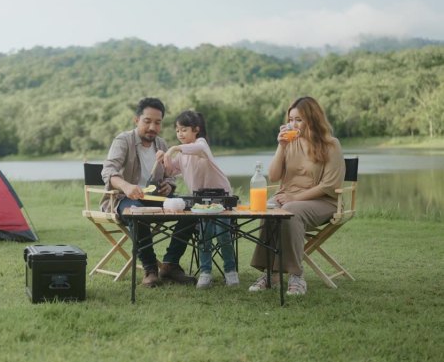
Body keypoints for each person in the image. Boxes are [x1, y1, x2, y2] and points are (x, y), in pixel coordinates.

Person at [248, 96, 345, 295]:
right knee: (270, 210)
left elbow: (330, 185)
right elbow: (274, 176)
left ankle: (296, 276)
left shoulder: (331, 145)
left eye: (298, 119)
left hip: (322, 201)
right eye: (290, 119)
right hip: (287, 198)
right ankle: (270, 274)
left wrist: (295, 199)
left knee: (289, 211)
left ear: (313, 119)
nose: (293, 124)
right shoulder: (289, 143)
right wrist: (280, 146)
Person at [101, 97, 196, 288]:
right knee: (138, 212)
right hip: (124, 199)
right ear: (136, 120)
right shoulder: (123, 140)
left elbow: (170, 175)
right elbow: (108, 171)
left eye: (158, 122)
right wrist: (127, 186)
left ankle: (170, 264)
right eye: (147, 121)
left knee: (192, 211)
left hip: (156, 198)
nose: (152, 127)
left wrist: (169, 185)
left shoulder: (161, 144)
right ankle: (150, 269)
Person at [158, 110, 239, 289]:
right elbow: (171, 171)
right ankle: (205, 272)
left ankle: (230, 271)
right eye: (177, 130)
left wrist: (173, 148)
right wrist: (164, 158)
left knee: (223, 233)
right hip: (200, 200)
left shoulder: (201, 144)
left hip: (221, 198)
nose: (180, 134)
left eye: (184, 129)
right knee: (204, 235)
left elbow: (198, 149)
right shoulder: (181, 154)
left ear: (196, 129)